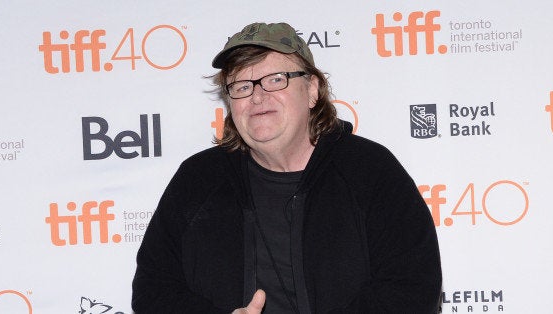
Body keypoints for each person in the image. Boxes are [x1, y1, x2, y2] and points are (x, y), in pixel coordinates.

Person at [132, 22, 442, 314]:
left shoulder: (370, 171)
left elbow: (412, 287)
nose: (257, 95)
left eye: (275, 79)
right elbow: (153, 291)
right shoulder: (198, 180)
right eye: (241, 86)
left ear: (312, 90)